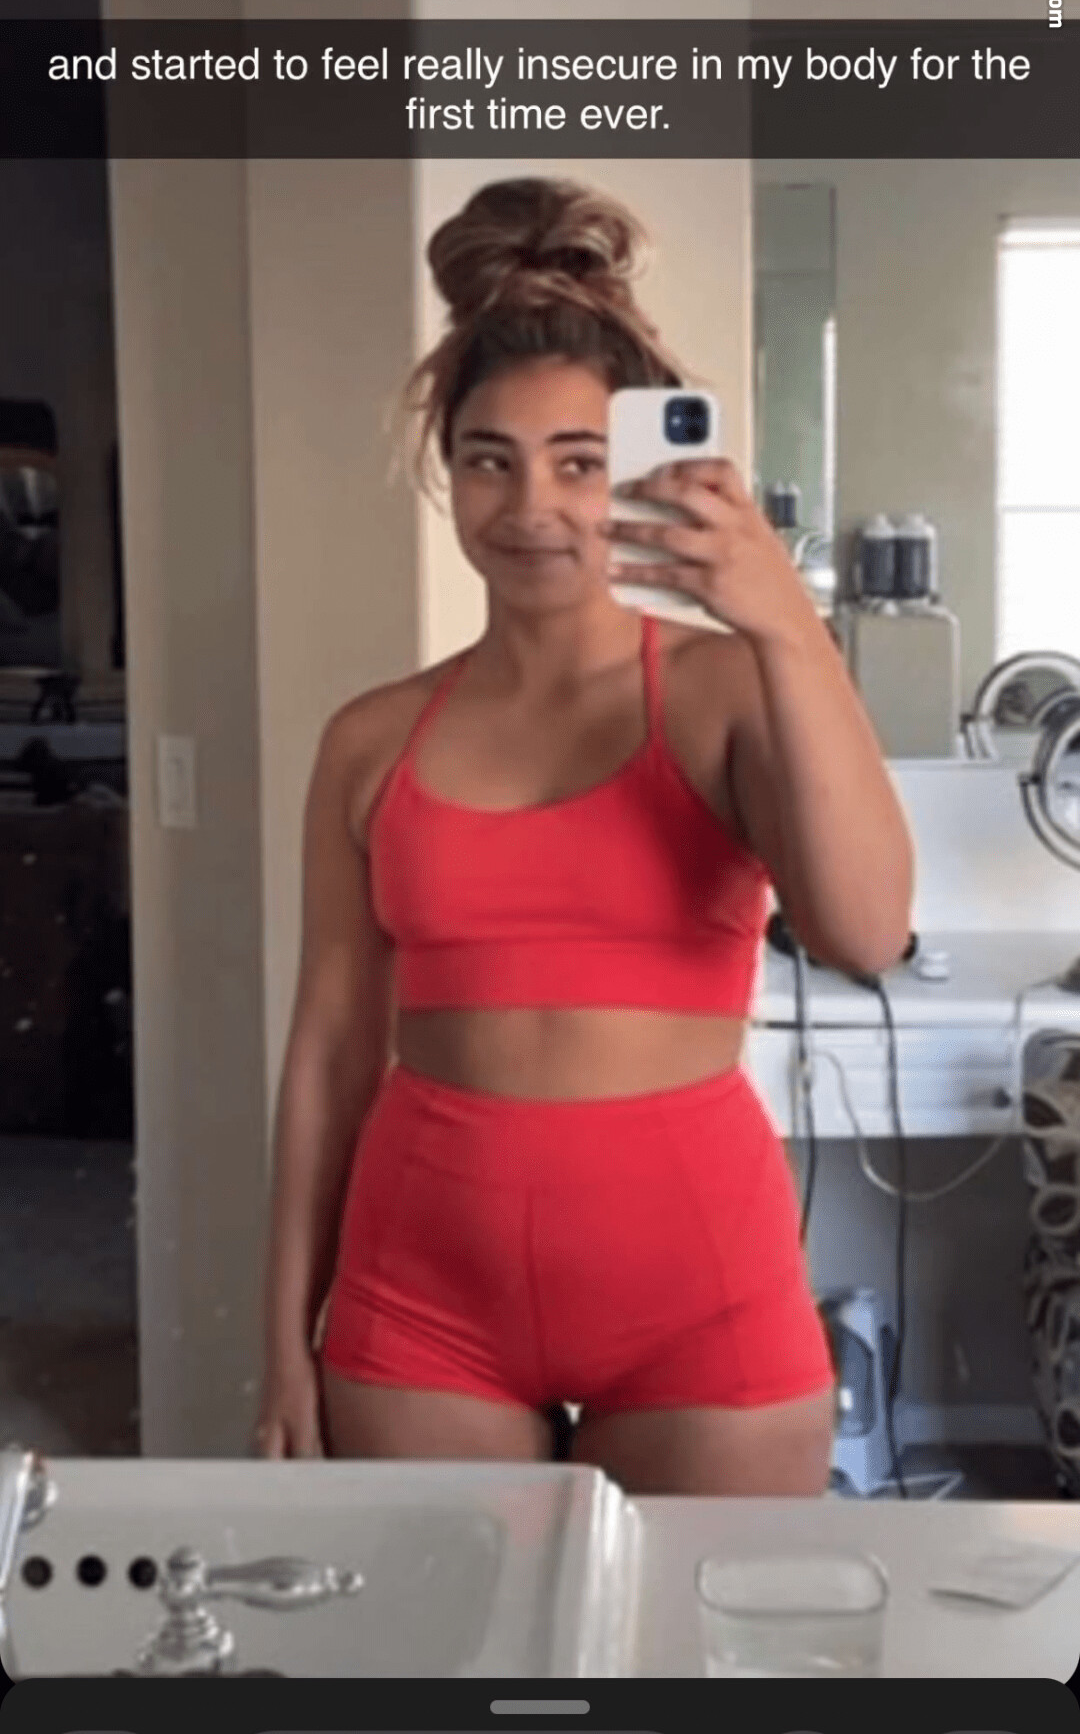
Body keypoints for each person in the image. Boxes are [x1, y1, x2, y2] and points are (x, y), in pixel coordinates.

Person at [255, 177, 914, 1494]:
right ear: (447, 468)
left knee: (688, 1638)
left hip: (700, 1303)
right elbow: (329, 1051)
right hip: (420, 1304)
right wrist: (283, 1340)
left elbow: (864, 930)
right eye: (488, 459)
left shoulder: (729, 691)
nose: (531, 508)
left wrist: (787, 622)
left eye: (580, 463)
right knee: (456, 1639)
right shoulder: (369, 740)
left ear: (645, 474)